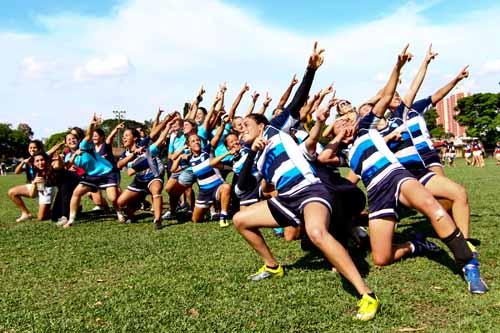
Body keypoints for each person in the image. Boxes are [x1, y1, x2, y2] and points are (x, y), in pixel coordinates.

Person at [233, 42, 380, 321]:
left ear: (261, 126)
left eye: (246, 126)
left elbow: (297, 102)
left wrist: (310, 70)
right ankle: (272, 266)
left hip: (311, 190)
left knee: (316, 233)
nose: (241, 131)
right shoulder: (251, 155)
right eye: (239, 130)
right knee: (241, 220)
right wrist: (252, 154)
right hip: (285, 199)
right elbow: (242, 188)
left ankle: (366, 295)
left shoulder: (276, 128)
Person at [344, 44, 487, 294]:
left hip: (414, 174)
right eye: (362, 112)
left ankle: (464, 252)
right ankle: (418, 242)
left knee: (452, 197)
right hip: (386, 185)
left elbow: (407, 89)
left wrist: (418, 64)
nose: (369, 111)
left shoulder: (398, 117)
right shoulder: (366, 138)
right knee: (381, 257)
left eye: (371, 109)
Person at [61, 115, 122, 228]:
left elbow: (89, 134)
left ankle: (119, 213)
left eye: (73, 138)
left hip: (107, 172)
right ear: (66, 144)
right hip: (91, 176)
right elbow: (68, 164)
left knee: (113, 198)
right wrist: (74, 155)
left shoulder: (84, 145)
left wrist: (92, 124)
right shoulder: (68, 155)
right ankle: (71, 220)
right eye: (69, 140)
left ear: (78, 140)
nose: (72, 140)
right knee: (76, 193)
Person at [117, 116, 174, 229]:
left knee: (156, 191)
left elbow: (157, 137)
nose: (124, 138)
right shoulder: (125, 154)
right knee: (120, 203)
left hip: (153, 176)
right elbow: (120, 166)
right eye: (123, 136)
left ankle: (158, 220)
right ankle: (132, 214)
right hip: (139, 180)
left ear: (135, 137)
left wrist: (167, 124)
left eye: (126, 135)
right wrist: (134, 155)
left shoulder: (143, 145)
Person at [8, 140, 60, 222]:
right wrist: (23, 162)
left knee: (41, 217)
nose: (32, 149)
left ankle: (56, 212)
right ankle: (26, 214)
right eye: (30, 148)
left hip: (46, 187)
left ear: (39, 149)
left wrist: (61, 144)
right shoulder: (29, 160)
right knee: (12, 192)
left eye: (34, 147)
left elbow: (52, 151)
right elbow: (17, 171)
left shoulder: (43, 157)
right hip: (35, 185)